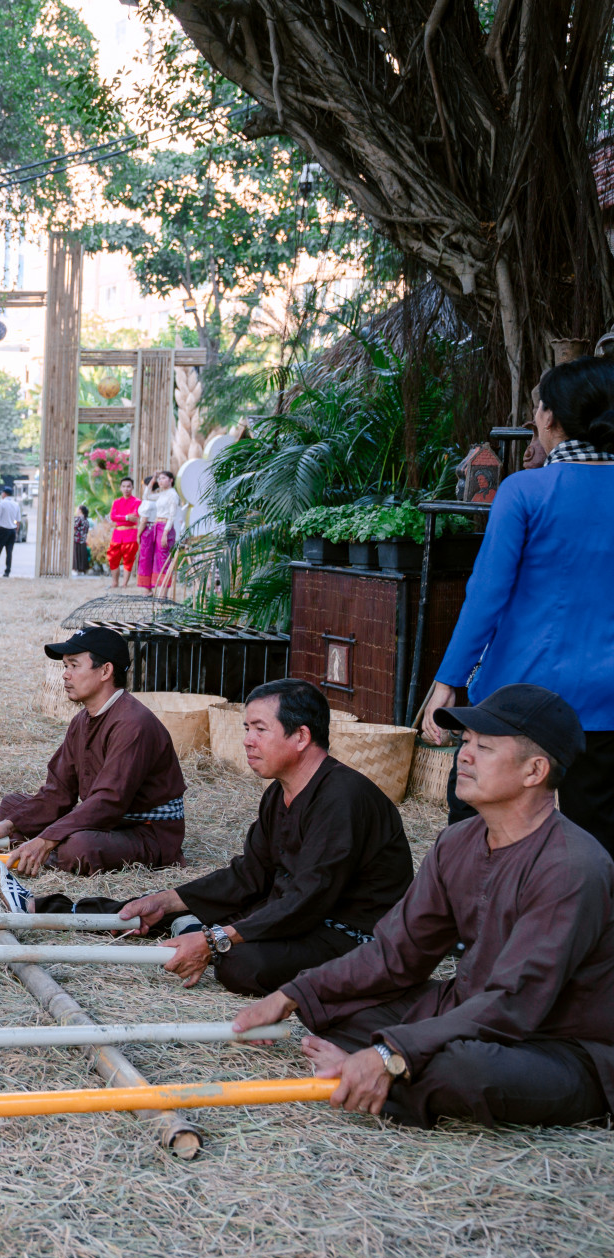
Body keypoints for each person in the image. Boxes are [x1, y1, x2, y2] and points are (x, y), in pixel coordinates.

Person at [233, 683, 614, 1129]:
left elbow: (515, 1001)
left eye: (484, 747)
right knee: (334, 1008)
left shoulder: (570, 866)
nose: (463, 756)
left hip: (557, 1043)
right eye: (465, 742)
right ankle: (385, 1067)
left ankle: (381, 1073)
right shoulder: (457, 841)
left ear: (534, 771)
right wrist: (292, 994)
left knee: (466, 1071)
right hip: (469, 1010)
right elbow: (396, 953)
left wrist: (389, 1052)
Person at [420, 355, 614, 857]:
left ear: (551, 417)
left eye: (538, 408)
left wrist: (449, 679)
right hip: (606, 700)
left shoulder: (526, 490)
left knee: (474, 823)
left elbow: (486, 595)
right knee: (596, 839)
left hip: (519, 692)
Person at [117, 679, 413, 995]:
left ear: (301, 737)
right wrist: (166, 900)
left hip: (353, 934)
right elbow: (250, 875)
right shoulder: (278, 793)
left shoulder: (343, 797)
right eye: (247, 729)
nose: (248, 741)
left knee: (241, 964)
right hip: (296, 913)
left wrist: (214, 940)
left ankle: (200, 930)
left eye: (260, 729)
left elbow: (308, 898)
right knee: (159, 911)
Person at [0, 627, 186, 874]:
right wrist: (9, 825)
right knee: (12, 808)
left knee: (78, 848)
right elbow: (59, 792)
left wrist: (46, 839)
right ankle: (36, 846)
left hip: (144, 830)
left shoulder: (133, 723)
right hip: (105, 821)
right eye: (65, 666)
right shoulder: (82, 721)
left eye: (74, 666)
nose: (65, 675)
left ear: (105, 671)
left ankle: (44, 852)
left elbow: (108, 802)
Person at [136, 470, 178, 598]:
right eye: (159, 479)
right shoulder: (162, 494)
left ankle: (163, 593)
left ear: (171, 480)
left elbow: (172, 516)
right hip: (157, 526)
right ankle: (157, 590)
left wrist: (165, 533)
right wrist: (153, 478)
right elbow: (146, 495)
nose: (160, 481)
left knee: (164, 559)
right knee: (157, 559)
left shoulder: (172, 494)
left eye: (163, 478)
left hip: (165, 527)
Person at [107, 477, 139, 588]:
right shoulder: (116, 502)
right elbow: (112, 516)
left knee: (128, 559)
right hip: (117, 534)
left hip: (131, 533)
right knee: (113, 557)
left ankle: (124, 583)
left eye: (129, 486)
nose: (126, 489)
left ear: (132, 488)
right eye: (124, 486)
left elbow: (134, 516)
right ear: (120, 488)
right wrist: (126, 517)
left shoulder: (137, 502)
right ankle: (114, 582)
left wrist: (121, 517)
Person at [72, 504, 93, 576]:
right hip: (83, 540)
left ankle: (75, 569)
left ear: (80, 511)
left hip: (76, 539)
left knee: (76, 554)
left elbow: (74, 527)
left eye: (78, 509)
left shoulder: (78, 519)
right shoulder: (86, 520)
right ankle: (82, 570)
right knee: (82, 555)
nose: (76, 510)